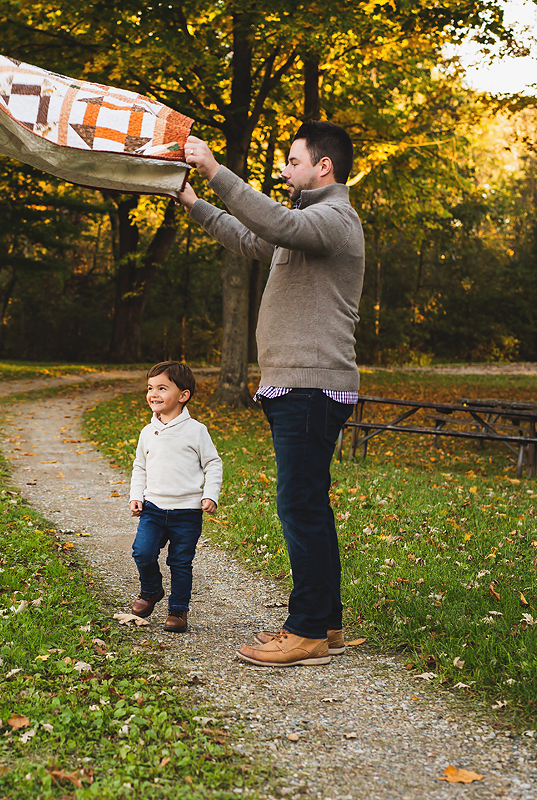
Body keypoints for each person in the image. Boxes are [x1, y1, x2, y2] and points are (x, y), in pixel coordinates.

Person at [178, 121, 365, 667]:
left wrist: (215, 170)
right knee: (309, 504)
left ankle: (305, 629)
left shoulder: (334, 220)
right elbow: (247, 235)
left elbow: (276, 221)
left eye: (292, 160)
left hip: (312, 385)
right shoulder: (305, 226)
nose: (284, 169)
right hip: (296, 385)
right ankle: (324, 622)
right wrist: (192, 199)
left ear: (322, 166)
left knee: (299, 504)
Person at [128, 361, 223, 634]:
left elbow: (213, 463)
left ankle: (178, 610)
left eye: (161, 388)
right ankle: (151, 590)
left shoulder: (196, 430)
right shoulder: (147, 432)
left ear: (183, 396)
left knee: (180, 562)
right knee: (143, 552)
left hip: (187, 512)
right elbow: (140, 466)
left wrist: (210, 495)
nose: (153, 394)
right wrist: (137, 495)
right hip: (154, 508)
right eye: (150, 388)